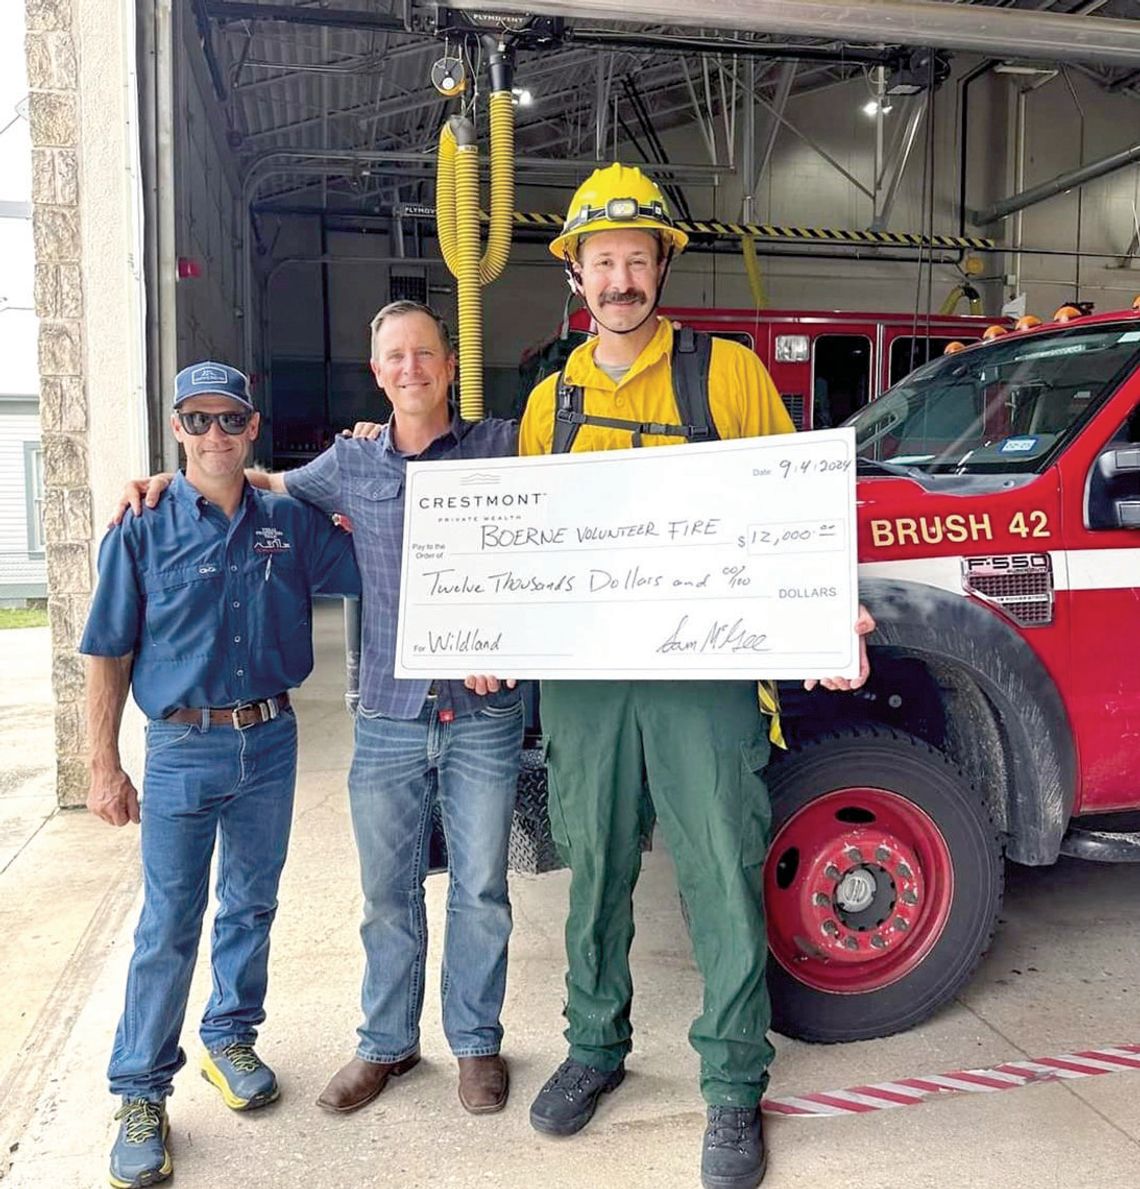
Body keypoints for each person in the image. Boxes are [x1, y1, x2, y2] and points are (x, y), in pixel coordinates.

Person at [518, 164, 874, 1189]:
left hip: (706, 674)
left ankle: (731, 1085)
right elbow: (527, 546)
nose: (621, 277)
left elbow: (790, 517)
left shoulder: (728, 376)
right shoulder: (551, 400)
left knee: (721, 869)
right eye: (603, 261)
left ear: (661, 266)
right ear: (577, 276)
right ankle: (594, 1048)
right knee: (596, 869)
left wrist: (827, 609)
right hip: (589, 681)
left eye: (638, 258)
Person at [119, 302, 523, 1120]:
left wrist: (512, 633)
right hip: (387, 711)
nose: (410, 368)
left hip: (484, 709)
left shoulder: (502, 448)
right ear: (376, 374)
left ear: (450, 365)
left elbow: (559, 544)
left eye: (424, 354)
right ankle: (387, 1043)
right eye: (394, 357)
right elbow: (259, 484)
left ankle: (476, 1041)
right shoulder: (350, 460)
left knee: (480, 886)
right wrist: (170, 480)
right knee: (386, 891)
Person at [83, 361, 360, 1189]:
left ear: (252, 426)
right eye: (196, 421)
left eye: (228, 420)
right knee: (169, 920)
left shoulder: (285, 521)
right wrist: (104, 764)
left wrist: (357, 458)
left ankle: (229, 1037)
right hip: (180, 747)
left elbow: (372, 548)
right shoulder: (140, 526)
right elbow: (108, 650)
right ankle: (140, 1090)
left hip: (269, 741)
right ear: (176, 429)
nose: (213, 436)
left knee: (252, 903)